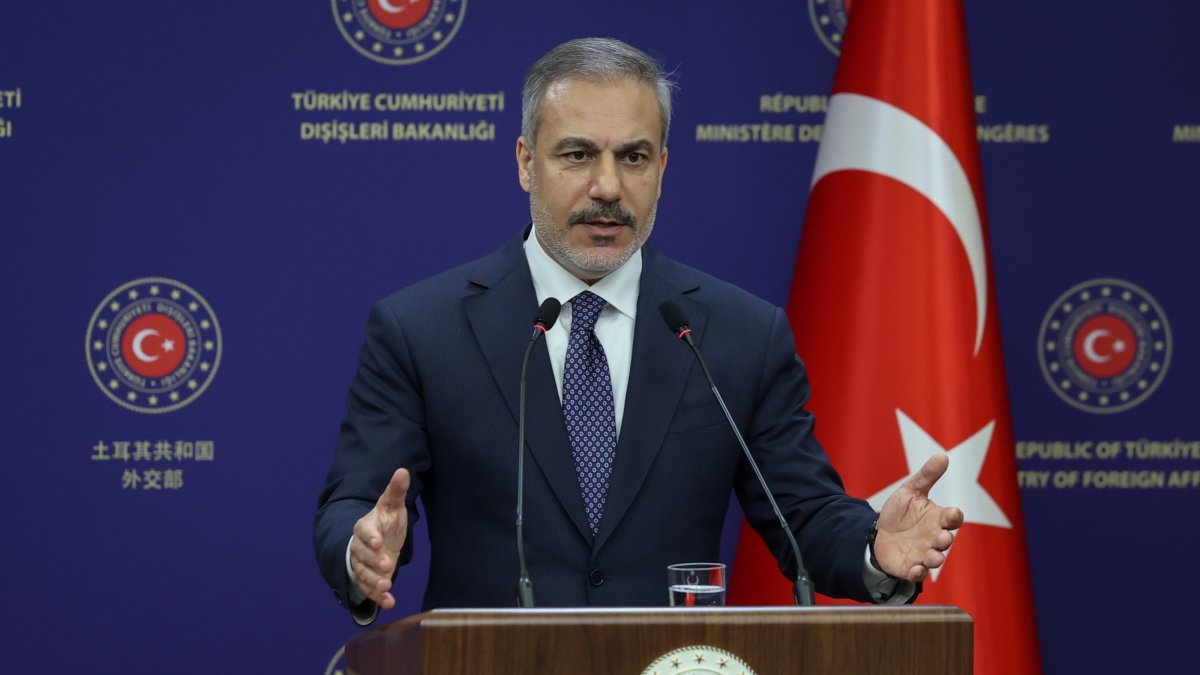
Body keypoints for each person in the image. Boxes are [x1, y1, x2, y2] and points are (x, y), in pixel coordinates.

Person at [314, 37, 963, 626]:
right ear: (525, 163)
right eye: (577, 155)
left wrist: (876, 546)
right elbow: (356, 502)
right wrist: (361, 548)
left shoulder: (738, 334)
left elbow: (806, 515)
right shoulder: (422, 330)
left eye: (634, 157)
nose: (608, 186)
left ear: (662, 167)